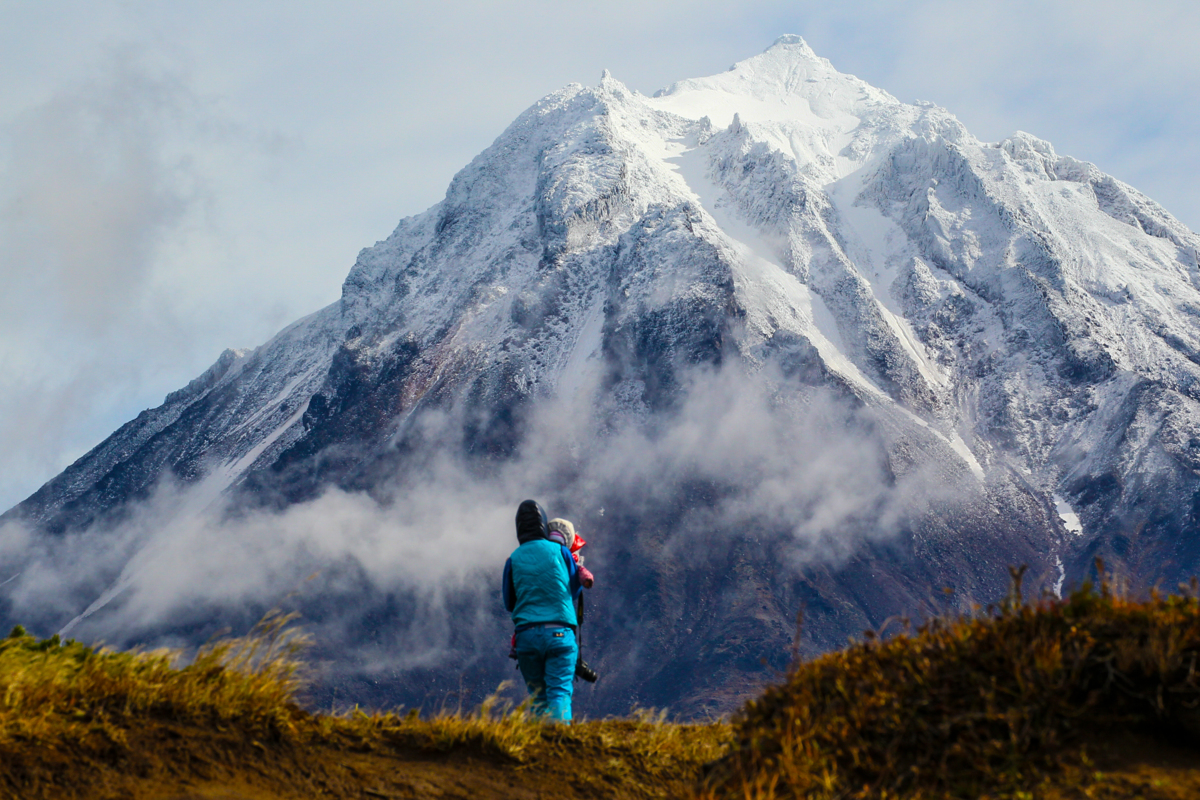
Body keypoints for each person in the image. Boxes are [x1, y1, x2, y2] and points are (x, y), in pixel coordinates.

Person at [502, 499, 582, 722]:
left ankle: (537, 748)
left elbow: (509, 602)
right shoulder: (560, 551)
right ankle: (559, 745)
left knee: (538, 698)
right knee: (559, 692)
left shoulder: (513, 559)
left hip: (526, 637)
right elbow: (573, 591)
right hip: (559, 633)